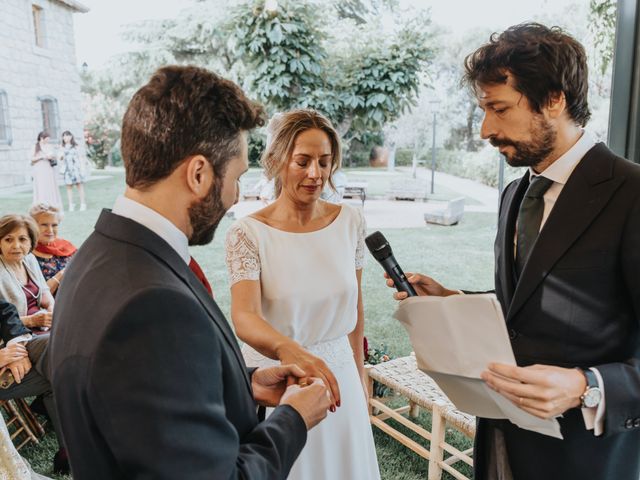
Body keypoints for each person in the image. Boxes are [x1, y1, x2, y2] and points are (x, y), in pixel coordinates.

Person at [48, 65, 332, 480]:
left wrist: (243, 381)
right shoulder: (152, 308)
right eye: (236, 178)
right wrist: (293, 418)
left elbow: (137, 400)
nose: (235, 198)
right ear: (199, 174)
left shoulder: (98, 252)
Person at [386, 23, 640, 480]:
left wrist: (589, 387)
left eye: (498, 109)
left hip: (587, 460)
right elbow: (528, 303)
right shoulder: (515, 194)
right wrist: (454, 299)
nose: (485, 130)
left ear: (554, 99)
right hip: (500, 440)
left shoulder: (633, 194)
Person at [225, 109, 380, 480]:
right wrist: (287, 350)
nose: (316, 174)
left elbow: (355, 309)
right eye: (303, 161)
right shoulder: (249, 233)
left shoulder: (350, 222)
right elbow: (244, 316)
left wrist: (358, 378)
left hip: (339, 373)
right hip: (283, 379)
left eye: (324, 163)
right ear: (278, 160)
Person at [0, 300, 67, 475]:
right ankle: (72, 452)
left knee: (55, 346)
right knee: (57, 375)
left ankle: (70, 452)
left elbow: (5, 309)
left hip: (8, 347)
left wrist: (16, 344)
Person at [0, 215, 53, 334]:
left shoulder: (30, 259)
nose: (16, 246)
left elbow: (45, 294)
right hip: (16, 336)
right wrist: (31, 321)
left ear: (31, 242)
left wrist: (52, 313)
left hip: (43, 328)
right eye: (8, 240)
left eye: (22, 239)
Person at [29, 203, 77, 297]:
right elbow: (39, 296)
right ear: (32, 225)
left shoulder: (65, 246)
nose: (50, 230)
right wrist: (63, 273)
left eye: (54, 225)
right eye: (44, 225)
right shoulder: (27, 255)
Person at [30, 132, 62, 211]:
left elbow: (54, 156)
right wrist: (43, 157)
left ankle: (51, 203)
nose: (48, 141)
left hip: (48, 168)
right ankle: (41, 203)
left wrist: (51, 157)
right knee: (41, 186)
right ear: (41, 138)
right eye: (47, 139)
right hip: (39, 169)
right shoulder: (35, 147)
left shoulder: (49, 146)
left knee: (50, 185)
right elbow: (32, 159)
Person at [58, 130, 87, 211]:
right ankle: (71, 204)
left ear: (71, 137)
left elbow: (81, 158)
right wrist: (61, 153)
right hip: (67, 171)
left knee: (80, 187)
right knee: (69, 188)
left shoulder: (76, 147)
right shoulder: (62, 147)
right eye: (64, 136)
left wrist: (82, 170)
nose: (65, 137)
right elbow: (60, 159)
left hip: (76, 170)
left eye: (67, 135)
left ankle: (83, 204)